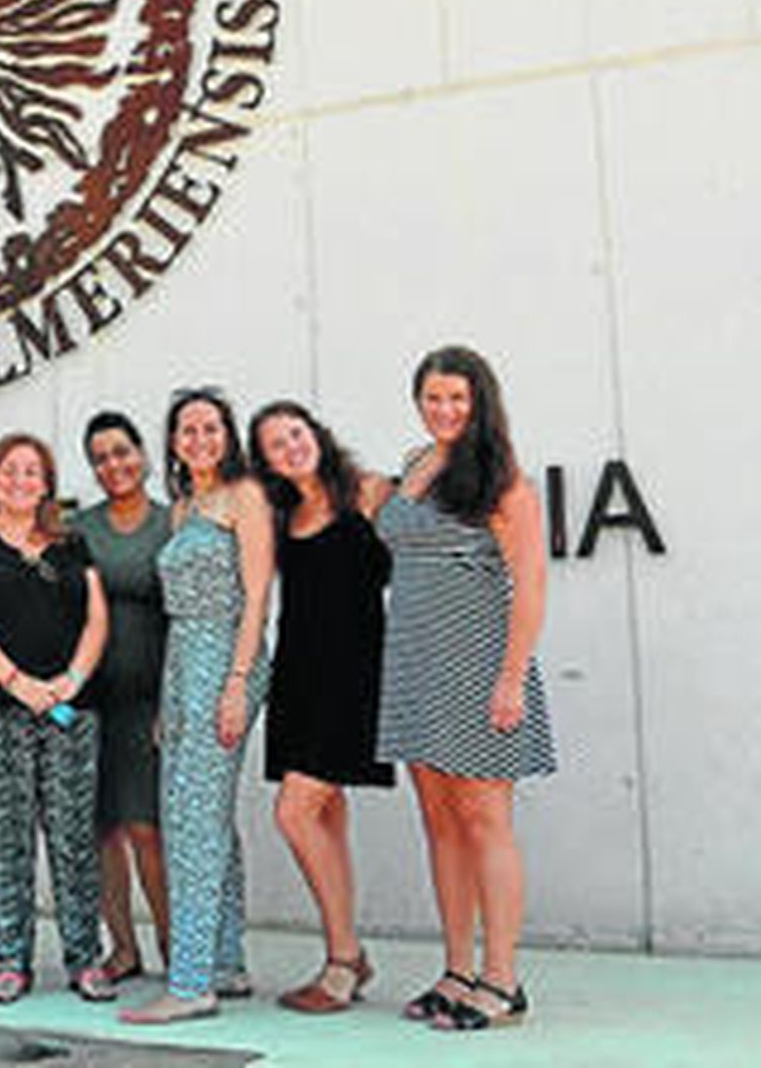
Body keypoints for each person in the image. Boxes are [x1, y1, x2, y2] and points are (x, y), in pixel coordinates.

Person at [375, 346, 556, 1031]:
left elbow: (531, 585)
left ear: (480, 401)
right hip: (415, 664)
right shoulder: (416, 465)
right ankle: (456, 969)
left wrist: (510, 677)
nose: (445, 409)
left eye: (457, 398)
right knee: (439, 822)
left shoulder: (504, 479)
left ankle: (502, 981)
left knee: (485, 821)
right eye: (433, 397)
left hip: (481, 667)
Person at [0, 434, 113, 1005]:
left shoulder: (71, 545)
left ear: (47, 483)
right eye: (9, 470)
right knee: (6, 834)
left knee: (71, 836)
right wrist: (18, 683)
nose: (20, 480)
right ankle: (11, 960)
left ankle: (85, 959)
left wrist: (69, 682)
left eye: (32, 471)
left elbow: (95, 621)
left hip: (70, 708)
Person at [121, 389, 274, 1025]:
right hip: (182, 661)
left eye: (211, 428)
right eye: (188, 429)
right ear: (175, 442)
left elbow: (258, 595)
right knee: (204, 813)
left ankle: (188, 985)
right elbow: (174, 611)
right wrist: (169, 696)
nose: (200, 439)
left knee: (191, 818)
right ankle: (224, 960)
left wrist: (236, 682)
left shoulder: (246, 497)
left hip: (226, 657)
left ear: (228, 435)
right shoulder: (184, 506)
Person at [248, 400, 395, 1013]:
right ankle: (347, 956)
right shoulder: (280, 515)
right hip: (299, 674)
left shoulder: (370, 491)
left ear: (317, 434)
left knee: (294, 812)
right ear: (266, 463)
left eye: (296, 434)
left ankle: (343, 958)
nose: (290, 448)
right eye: (275, 445)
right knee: (324, 814)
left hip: (356, 676)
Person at [72, 411, 170, 984]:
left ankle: (172, 945)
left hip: (149, 702)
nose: (115, 465)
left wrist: (173, 703)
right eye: (101, 457)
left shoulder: (170, 524)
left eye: (122, 452)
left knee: (146, 828)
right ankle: (123, 948)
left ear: (143, 455)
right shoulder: (81, 529)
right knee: (101, 828)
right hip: (92, 700)